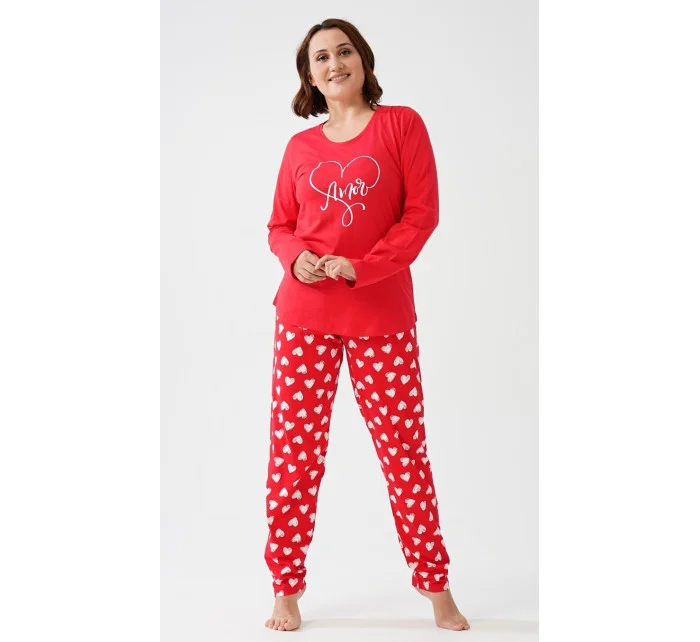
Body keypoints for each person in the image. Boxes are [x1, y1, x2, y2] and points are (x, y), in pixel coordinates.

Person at [263, 18, 470, 633]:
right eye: (320, 57)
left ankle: (436, 588)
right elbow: (279, 226)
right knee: (294, 456)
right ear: (310, 76)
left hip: (381, 317)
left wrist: (363, 267)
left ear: (363, 59)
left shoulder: (402, 125)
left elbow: (421, 217)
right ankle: (285, 589)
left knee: (404, 454)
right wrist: (294, 258)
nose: (334, 63)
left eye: (344, 51)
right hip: (303, 318)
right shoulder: (300, 149)